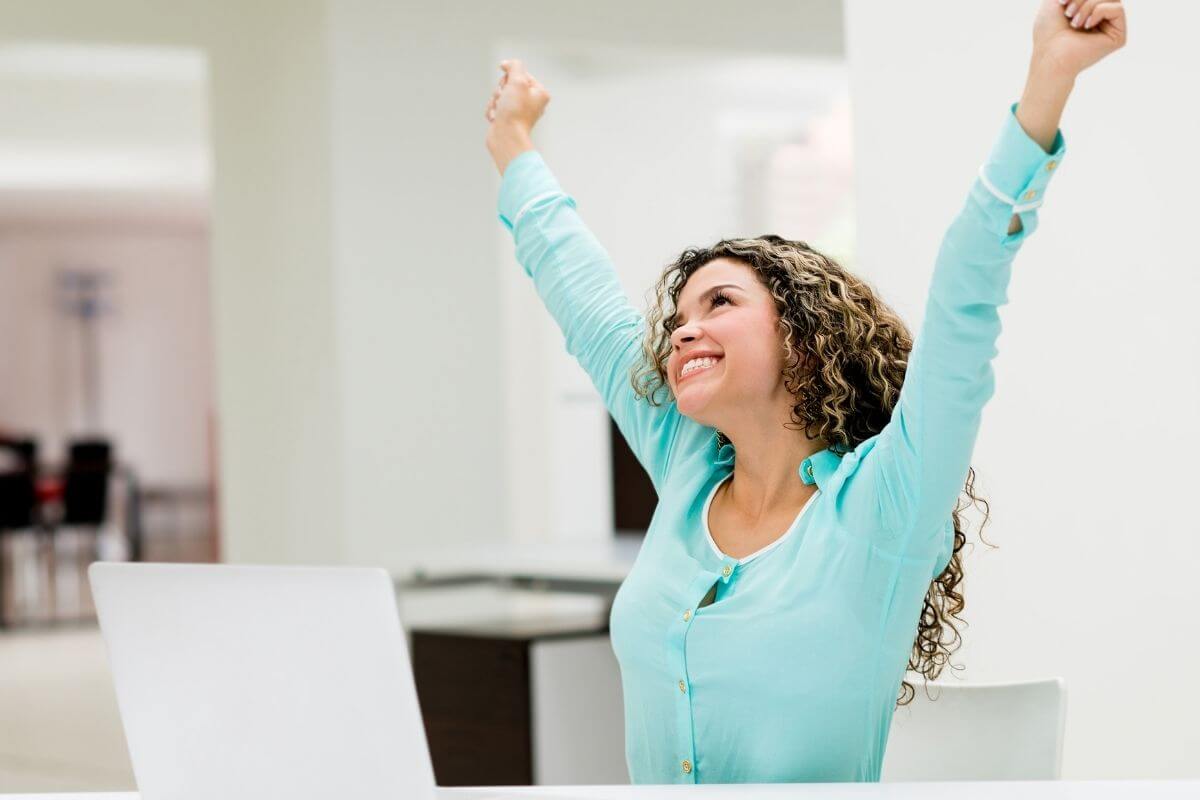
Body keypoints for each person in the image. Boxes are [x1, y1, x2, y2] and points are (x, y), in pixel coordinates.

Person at [484, 0, 1126, 784]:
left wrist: (1047, 80)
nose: (683, 330)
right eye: (678, 317)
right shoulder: (689, 467)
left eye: (719, 303)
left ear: (805, 335)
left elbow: (967, 291)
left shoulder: (884, 507)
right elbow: (584, 299)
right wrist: (513, 144)